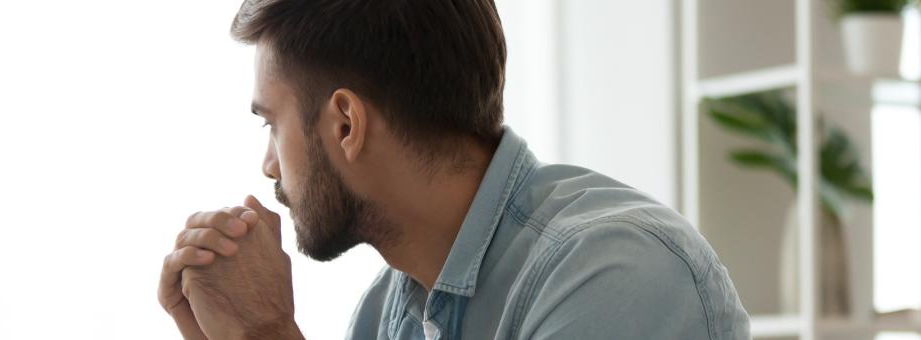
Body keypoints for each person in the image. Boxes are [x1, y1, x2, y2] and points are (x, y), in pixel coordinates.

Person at [157, 0, 751, 339]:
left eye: (271, 123)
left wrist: (266, 335)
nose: (268, 166)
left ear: (345, 123)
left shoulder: (621, 276)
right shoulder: (385, 316)